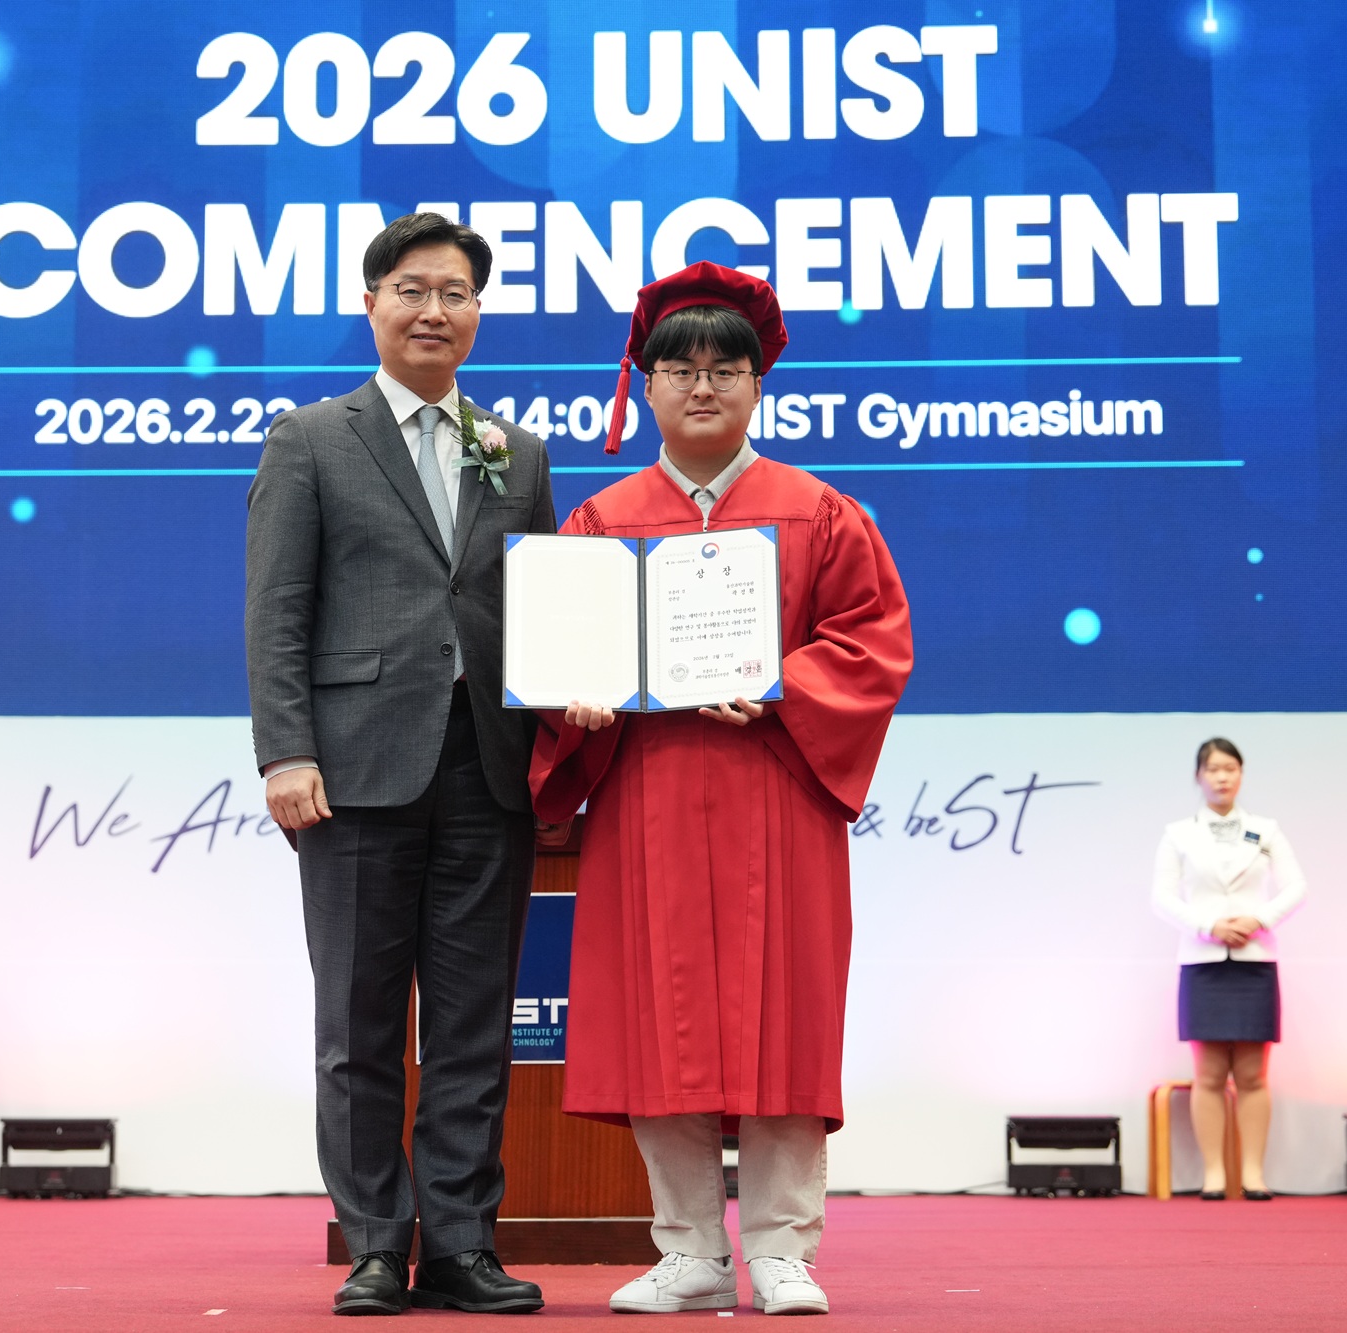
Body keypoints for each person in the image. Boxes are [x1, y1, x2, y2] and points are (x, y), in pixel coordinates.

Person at [529, 262, 913, 1317]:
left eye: (725, 367)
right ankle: (690, 1249)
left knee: (782, 1018)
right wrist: (579, 704)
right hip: (647, 798)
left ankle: (783, 1250)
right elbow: (559, 673)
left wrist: (783, 684)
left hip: (773, 793)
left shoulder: (818, 512)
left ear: (758, 382)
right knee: (663, 1020)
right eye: (678, 367)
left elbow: (871, 647)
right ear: (643, 383)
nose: (702, 386)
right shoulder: (602, 520)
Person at [245, 212, 556, 1316]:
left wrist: (576, 687)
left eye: (457, 293)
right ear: (371, 302)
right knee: (359, 1023)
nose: (436, 310)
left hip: (487, 769)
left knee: (474, 1023)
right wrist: (285, 749)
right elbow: (277, 611)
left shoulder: (516, 450)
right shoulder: (310, 437)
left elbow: (537, 605)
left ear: (478, 311)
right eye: (413, 289)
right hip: (352, 773)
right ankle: (376, 1241)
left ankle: (462, 1241)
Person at [1151, 739, 1306, 1200]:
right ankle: (1214, 1173)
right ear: (1198, 776)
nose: (1222, 777)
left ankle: (1253, 1174)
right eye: (1213, 769)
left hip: (1255, 959)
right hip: (1202, 961)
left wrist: (1257, 920)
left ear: (1242, 775)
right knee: (1210, 1075)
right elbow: (1162, 896)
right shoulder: (1178, 833)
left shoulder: (1266, 829)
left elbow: (1295, 887)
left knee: (1254, 1075)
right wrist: (1209, 925)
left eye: (1231, 768)